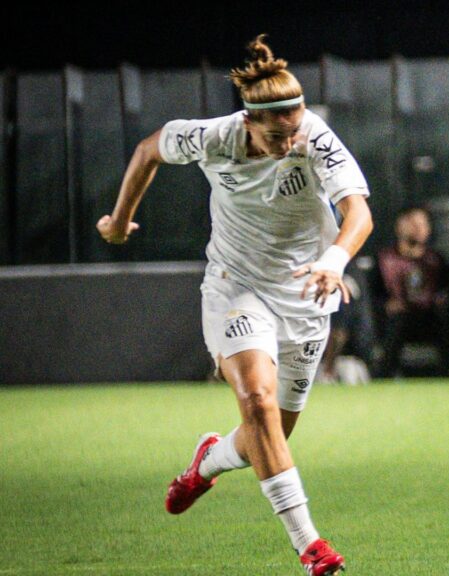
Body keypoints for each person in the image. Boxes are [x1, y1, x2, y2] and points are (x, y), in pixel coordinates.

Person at [96, 35, 372, 576]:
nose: (289, 141)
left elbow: (357, 212)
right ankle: (311, 547)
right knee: (258, 403)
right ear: (248, 122)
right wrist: (119, 220)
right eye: (276, 133)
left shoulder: (315, 138)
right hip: (236, 284)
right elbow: (148, 149)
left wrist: (335, 260)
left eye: (295, 128)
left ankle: (208, 462)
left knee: (269, 437)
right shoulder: (211, 137)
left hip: (305, 292)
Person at [374, 206, 449, 377]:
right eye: (412, 223)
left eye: (422, 224)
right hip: (395, 320)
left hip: (429, 318)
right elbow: (373, 296)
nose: (418, 228)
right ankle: (384, 376)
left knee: (447, 319)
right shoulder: (384, 260)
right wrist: (385, 305)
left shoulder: (436, 261)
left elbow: (447, 292)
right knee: (397, 321)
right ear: (399, 226)